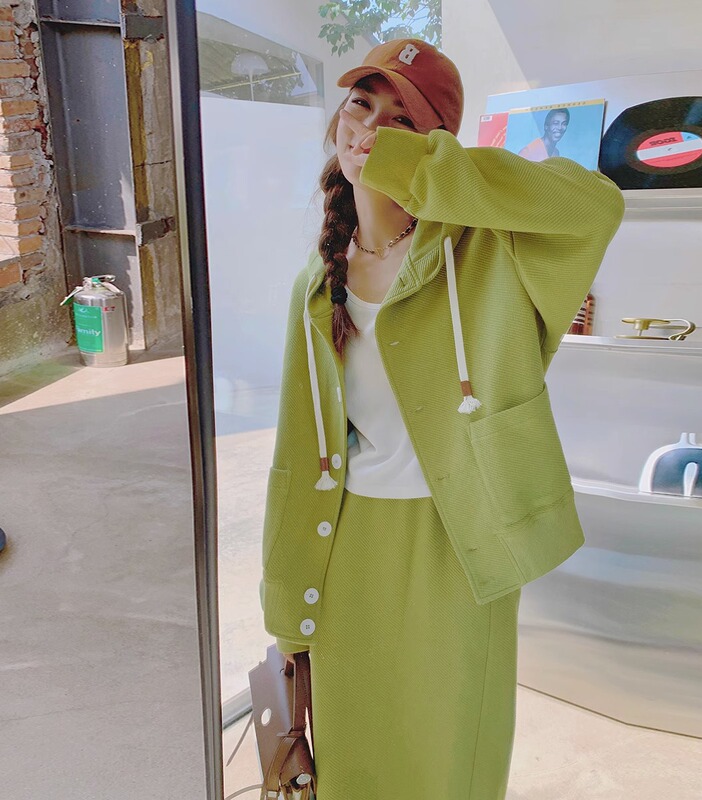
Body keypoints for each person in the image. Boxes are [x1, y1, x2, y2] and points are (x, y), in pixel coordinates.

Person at [260, 38, 623, 800]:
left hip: (459, 548)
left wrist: (411, 171)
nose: (371, 129)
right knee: (357, 764)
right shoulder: (316, 284)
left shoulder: (492, 254)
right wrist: (287, 611)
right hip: (348, 552)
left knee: (453, 764)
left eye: (402, 121)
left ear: (435, 147)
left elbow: (597, 206)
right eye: (362, 106)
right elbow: (297, 455)